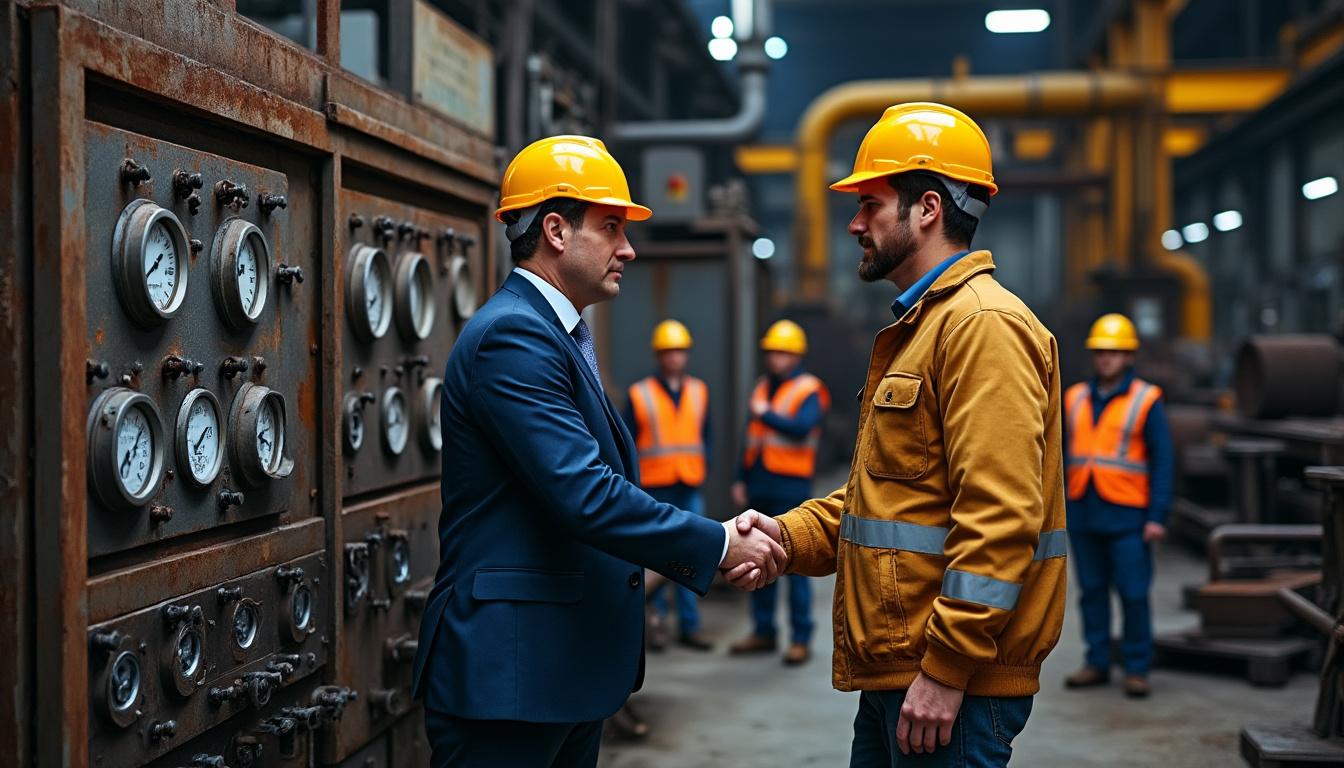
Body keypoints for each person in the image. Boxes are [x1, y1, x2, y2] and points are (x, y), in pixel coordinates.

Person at [410, 135, 785, 768]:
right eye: (611, 227)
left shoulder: (552, 335)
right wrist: (718, 543)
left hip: (558, 671)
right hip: (513, 679)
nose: (628, 248)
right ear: (555, 230)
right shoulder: (513, 338)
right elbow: (584, 494)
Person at [728, 102, 1068, 766]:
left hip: (950, 688)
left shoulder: (980, 326)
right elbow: (886, 503)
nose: (855, 222)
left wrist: (947, 668)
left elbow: (1000, 520)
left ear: (929, 208)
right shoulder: (924, 329)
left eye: (872, 203)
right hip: (907, 673)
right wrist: (784, 535)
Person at [1062, 313, 1174, 699]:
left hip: (1129, 515)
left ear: (1128, 356)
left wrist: (1157, 516)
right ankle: (1097, 662)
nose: (1106, 359)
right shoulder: (1074, 397)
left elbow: (1162, 461)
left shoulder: (1147, 399)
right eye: (1100, 352)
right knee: (1091, 591)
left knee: (1133, 593)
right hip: (1084, 510)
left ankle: (1137, 667)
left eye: (1114, 352)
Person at [728, 320, 830, 666]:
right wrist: (741, 478)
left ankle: (800, 638)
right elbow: (750, 438)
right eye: (772, 352)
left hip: (791, 486)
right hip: (760, 483)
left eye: (783, 353)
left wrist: (768, 414)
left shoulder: (809, 389)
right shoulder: (761, 388)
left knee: (794, 562)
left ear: (796, 355)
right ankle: (763, 631)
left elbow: (802, 429)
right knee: (755, 559)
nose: (776, 359)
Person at [623, 319, 715, 652]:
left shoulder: (699, 391)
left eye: (678, 351)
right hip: (654, 486)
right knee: (656, 561)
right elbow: (628, 443)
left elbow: (706, 436)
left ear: (686, 355)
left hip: (688, 482)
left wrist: (704, 469)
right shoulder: (639, 394)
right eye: (667, 352)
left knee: (692, 559)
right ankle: (656, 626)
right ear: (659, 356)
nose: (673, 358)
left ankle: (690, 627)